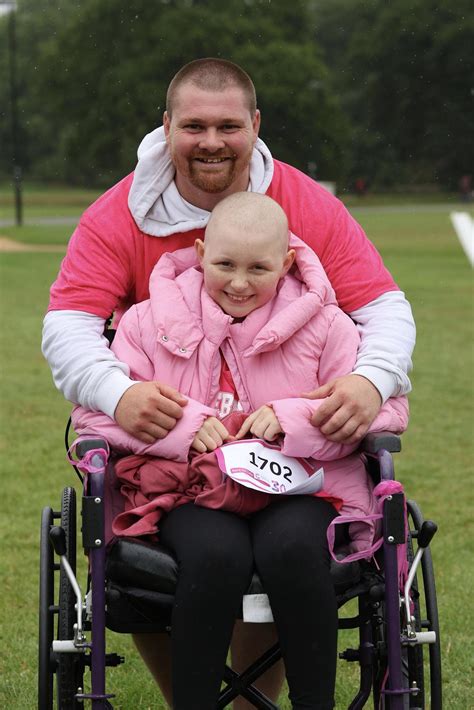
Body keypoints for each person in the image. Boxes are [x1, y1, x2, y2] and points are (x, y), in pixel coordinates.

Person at [42, 58, 415, 706]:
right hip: (179, 461)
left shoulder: (305, 207)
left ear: (255, 126)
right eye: (193, 125)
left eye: (227, 125)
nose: (211, 140)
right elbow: (69, 326)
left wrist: (370, 382)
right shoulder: (118, 218)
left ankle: (251, 703)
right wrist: (120, 393)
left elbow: (382, 309)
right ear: (166, 128)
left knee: (290, 550)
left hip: (291, 467)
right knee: (193, 560)